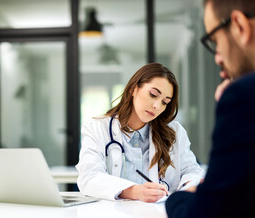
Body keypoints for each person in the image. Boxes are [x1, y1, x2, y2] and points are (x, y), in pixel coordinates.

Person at [165, 0, 255, 218]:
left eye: (216, 42)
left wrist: (180, 196)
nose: (218, 59)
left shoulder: (249, 97)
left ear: (240, 26)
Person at [76, 63, 204, 203]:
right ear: (133, 89)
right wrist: (133, 191)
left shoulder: (174, 132)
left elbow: (192, 171)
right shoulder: (97, 128)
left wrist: (186, 189)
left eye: (165, 102)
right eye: (153, 95)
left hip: (159, 216)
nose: (157, 106)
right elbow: (88, 177)